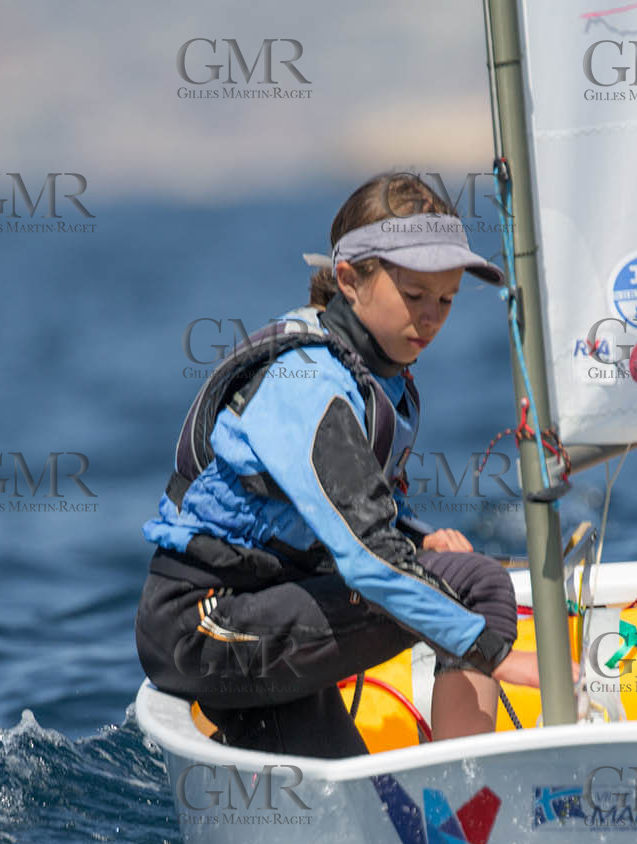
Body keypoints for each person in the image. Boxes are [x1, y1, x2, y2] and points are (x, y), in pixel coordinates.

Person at [135, 172, 558, 759]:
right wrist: (494, 652)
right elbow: (367, 560)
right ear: (349, 280)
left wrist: (418, 536)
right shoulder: (309, 383)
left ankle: (450, 802)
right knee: (473, 586)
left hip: (271, 612)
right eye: (414, 295)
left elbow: (351, 508)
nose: (431, 317)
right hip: (205, 625)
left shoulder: (376, 377)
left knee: (368, 800)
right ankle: (467, 791)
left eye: (446, 300)